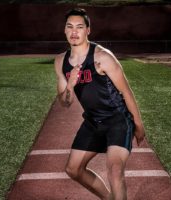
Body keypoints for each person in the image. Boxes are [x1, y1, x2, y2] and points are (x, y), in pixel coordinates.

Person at [54, 8, 145, 200]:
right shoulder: (61, 61)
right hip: (93, 122)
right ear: (64, 30)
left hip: (117, 120)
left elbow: (126, 92)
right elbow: (65, 102)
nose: (74, 32)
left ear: (88, 30)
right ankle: (108, 197)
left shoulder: (102, 57)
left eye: (79, 27)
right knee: (73, 169)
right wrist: (70, 84)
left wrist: (138, 124)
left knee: (114, 170)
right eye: (69, 27)